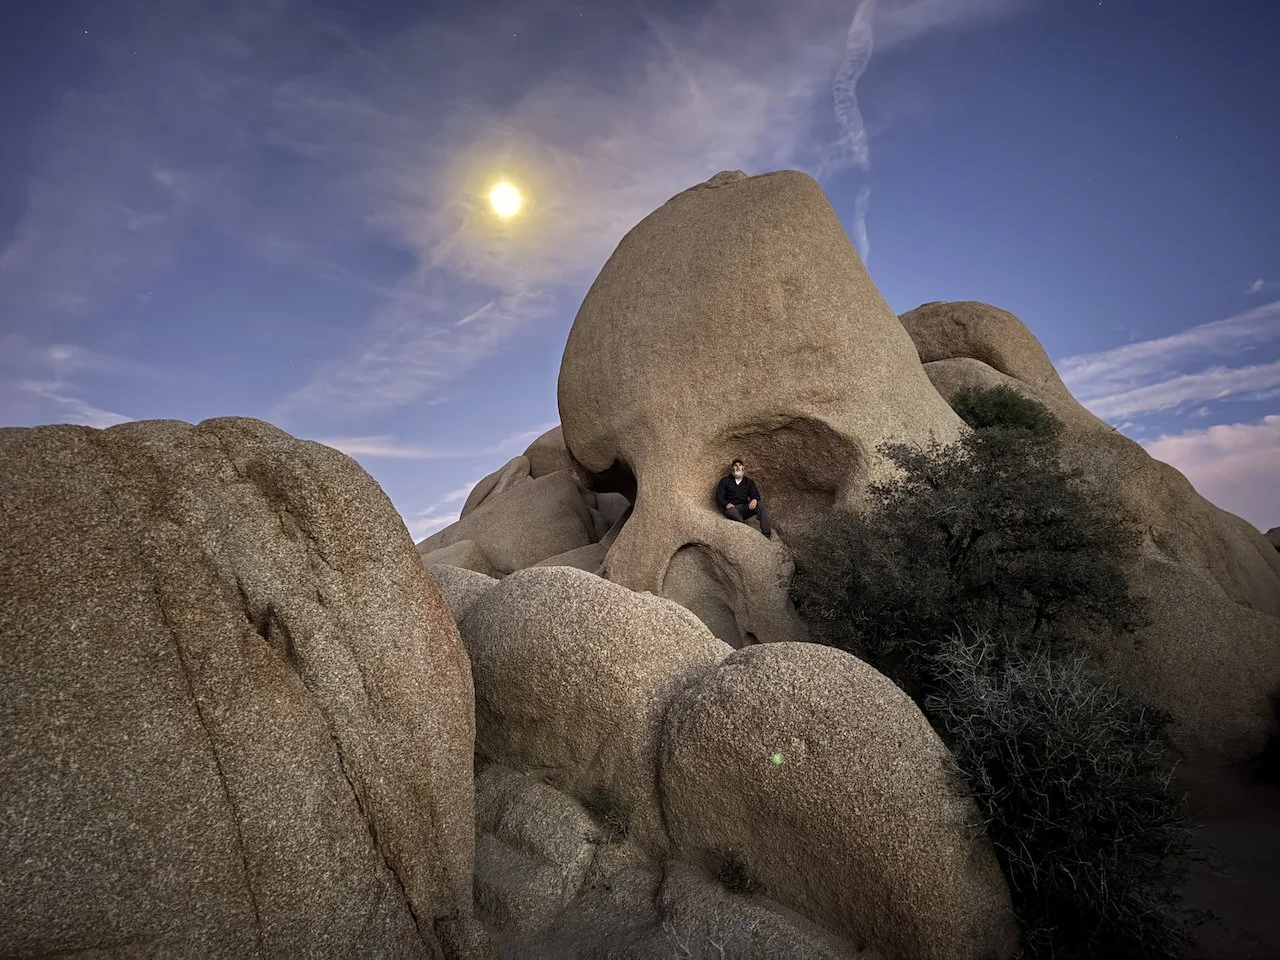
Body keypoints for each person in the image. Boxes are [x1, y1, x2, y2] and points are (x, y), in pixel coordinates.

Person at [715, 458, 772, 537]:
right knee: (733, 511)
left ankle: (766, 533)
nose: (738, 467)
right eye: (735, 465)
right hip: (731, 508)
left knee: (759, 504)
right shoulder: (725, 481)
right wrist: (726, 504)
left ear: (743, 468)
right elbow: (719, 497)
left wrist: (755, 499)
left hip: (744, 508)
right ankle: (746, 531)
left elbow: (755, 495)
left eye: (740, 465)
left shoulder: (749, 482)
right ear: (732, 468)